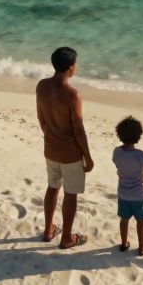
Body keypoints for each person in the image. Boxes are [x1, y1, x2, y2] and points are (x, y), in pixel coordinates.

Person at [36, 46, 94, 249]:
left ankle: (48, 229)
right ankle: (67, 237)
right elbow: (78, 130)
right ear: (70, 68)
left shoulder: (41, 86)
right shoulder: (72, 95)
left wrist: (50, 136)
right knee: (70, 194)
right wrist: (88, 156)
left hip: (50, 148)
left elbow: (41, 118)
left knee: (52, 188)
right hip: (70, 153)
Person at [112, 116, 143, 256]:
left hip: (123, 194)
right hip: (139, 195)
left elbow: (117, 165)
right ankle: (141, 247)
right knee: (141, 221)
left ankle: (124, 243)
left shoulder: (117, 152)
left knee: (124, 219)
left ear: (119, 135)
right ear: (138, 137)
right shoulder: (140, 155)